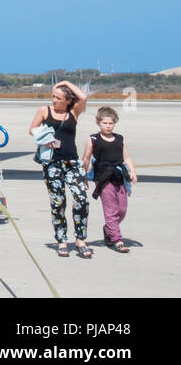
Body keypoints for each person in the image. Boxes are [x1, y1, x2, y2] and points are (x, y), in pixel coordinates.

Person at [28, 81, 92, 258]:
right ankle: (62, 240)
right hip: (52, 164)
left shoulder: (74, 111)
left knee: (81, 199)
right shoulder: (45, 110)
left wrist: (65, 83)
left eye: (58, 98)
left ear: (68, 100)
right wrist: (45, 139)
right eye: (53, 97)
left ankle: (80, 239)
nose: (54, 100)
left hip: (72, 163)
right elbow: (31, 129)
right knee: (58, 203)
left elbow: (84, 97)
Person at [82, 106, 137, 254]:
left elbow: (126, 157)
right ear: (98, 123)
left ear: (115, 123)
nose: (107, 126)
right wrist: (84, 176)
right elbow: (86, 158)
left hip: (119, 177)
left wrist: (133, 171)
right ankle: (117, 239)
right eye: (105, 123)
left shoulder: (120, 139)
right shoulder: (93, 139)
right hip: (103, 179)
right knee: (111, 210)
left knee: (122, 210)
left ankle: (109, 228)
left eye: (110, 123)